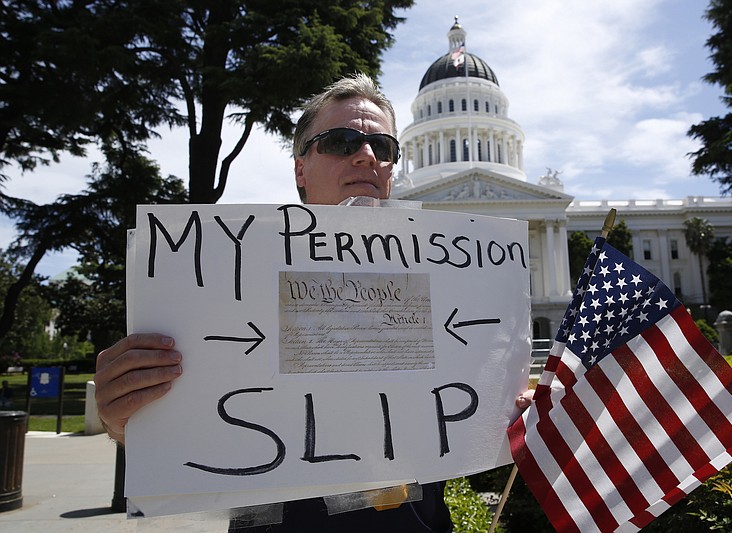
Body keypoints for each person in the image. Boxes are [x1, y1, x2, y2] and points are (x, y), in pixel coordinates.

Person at [94, 73, 534, 532]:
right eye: (342, 141)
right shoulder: (233, 280)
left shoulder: (452, 284)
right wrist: (130, 421)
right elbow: (193, 419)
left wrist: (507, 408)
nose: (365, 155)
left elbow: (465, 409)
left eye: (382, 147)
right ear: (301, 168)